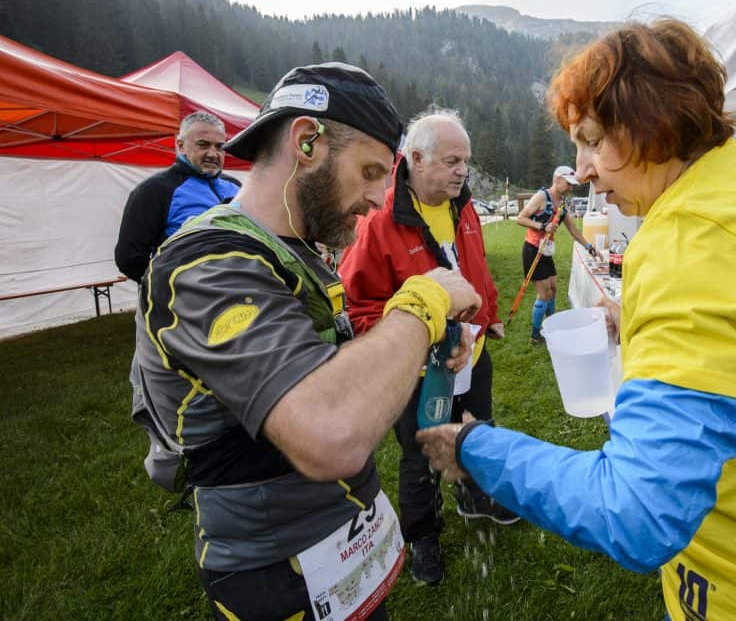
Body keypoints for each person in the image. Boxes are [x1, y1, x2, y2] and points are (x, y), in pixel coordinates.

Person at [418, 20, 736, 620]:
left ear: (653, 121)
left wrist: (477, 448)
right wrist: (637, 314)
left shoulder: (693, 238)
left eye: (592, 141)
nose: (583, 169)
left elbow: (637, 511)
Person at [131, 62, 482, 621]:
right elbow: (327, 430)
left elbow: (324, 365)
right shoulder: (207, 264)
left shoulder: (293, 248)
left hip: (341, 537)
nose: (379, 197)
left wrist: (421, 346)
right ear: (307, 141)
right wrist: (421, 307)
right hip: (277, 567)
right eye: (370, 171)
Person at [339, 106, 518, 587]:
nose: (463, 171)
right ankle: (422, 536)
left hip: (472, 356)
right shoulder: (379, 220)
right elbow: (358, 307)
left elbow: (475, 269)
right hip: (417, 372)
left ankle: (475, 496)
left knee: (477, 428)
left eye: (466, 161)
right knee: (420, 453)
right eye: (452, 161)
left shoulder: (465, 206)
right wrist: (422, 338)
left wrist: (489, 314)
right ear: (416, 159)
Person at [114, 111, 241, 282]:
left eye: (219, 147)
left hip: (241, 289)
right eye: (203, 145)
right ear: (181, 146)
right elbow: (129, 258)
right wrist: (175, 287)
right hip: (186, 295)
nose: (213, 154)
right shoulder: (154, 189)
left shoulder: (236, 187)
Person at [515, 165, 595, 344]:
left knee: (553, 289)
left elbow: (573, 230)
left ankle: (551, 326)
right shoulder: (542, 196)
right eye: (568, 184)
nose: (570, 188)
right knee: (544, 293)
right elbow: (520, 218)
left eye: (572, 185)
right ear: (557, 180)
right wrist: (542, 226)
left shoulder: (563, 203)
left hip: (546, 251)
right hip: (533, 250)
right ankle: (536, 335)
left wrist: (589, 247)